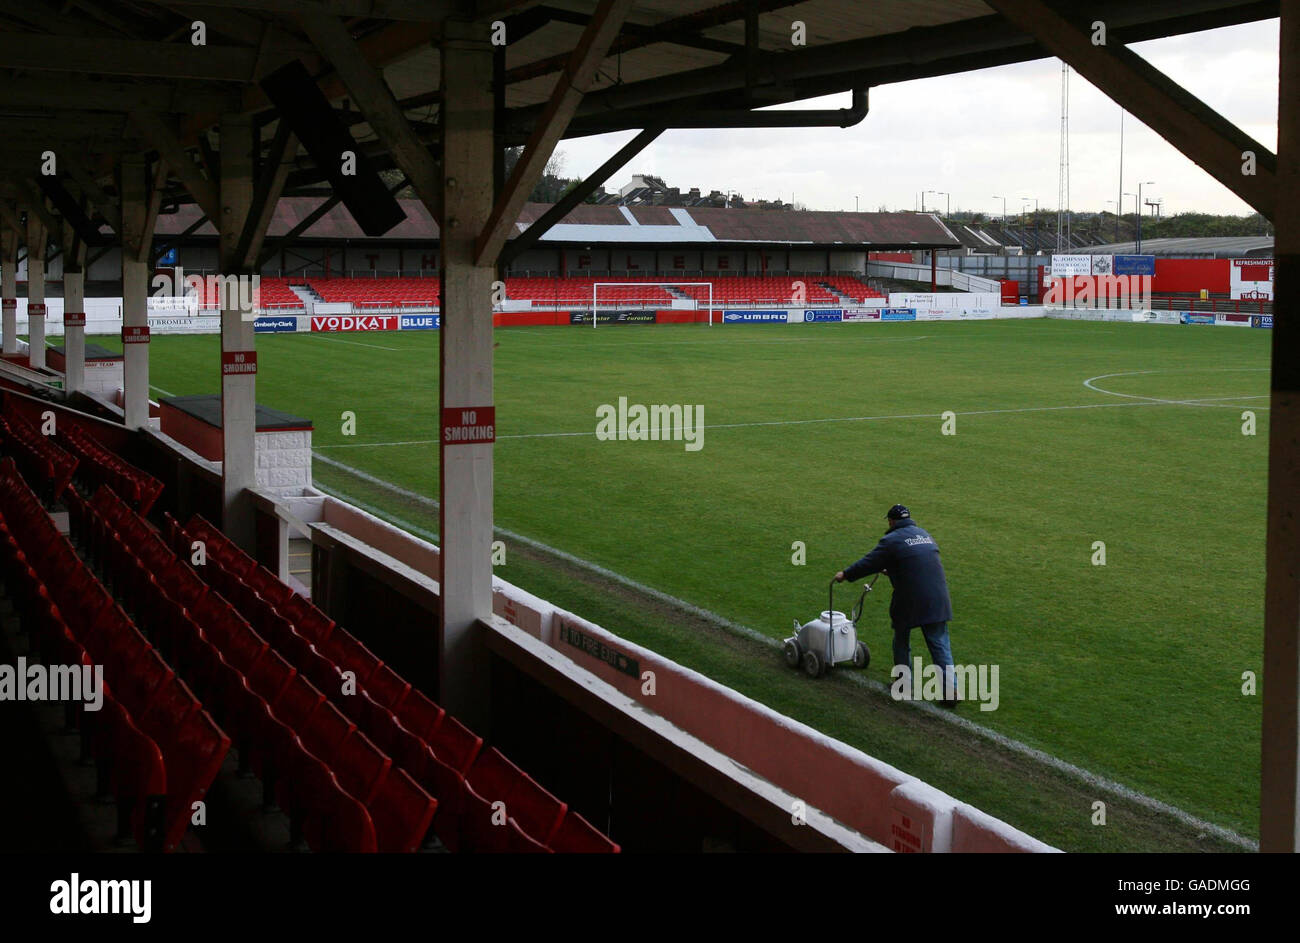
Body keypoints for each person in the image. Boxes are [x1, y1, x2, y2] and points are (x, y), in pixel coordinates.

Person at [835, 504, 957, 708]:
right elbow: (918, 565)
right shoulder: (924, 534)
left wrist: (846, 574)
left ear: (891, 521)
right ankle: (951, 689)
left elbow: (869, 562)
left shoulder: (892, 540)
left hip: (909, 599)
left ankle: (903, 684)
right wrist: (894, 569)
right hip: (939, 597)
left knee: (901, 638)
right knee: (939, 643)